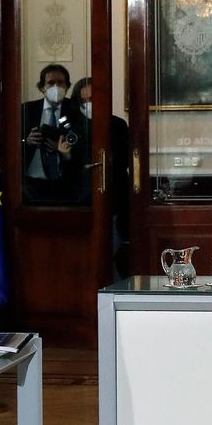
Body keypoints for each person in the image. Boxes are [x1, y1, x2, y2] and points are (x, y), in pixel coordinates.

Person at [71, 76, 132, 276]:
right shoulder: (72, 126)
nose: (89, 105)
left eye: (93, 100)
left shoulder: (117, 125)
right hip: (79, 202)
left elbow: (125, 162)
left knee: (110, 255)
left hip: (111, 199)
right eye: (84, 101)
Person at [22, 63, 88, 204]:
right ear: (42, 87)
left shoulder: (76, 112)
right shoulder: (26, 110)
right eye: (51, 83)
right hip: (31, 185)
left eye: (60, 83)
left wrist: (66, 153)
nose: (56, 87)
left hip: (65, 186)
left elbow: (84, 149)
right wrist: (26, 142)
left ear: (67, 86)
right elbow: (10, 146)